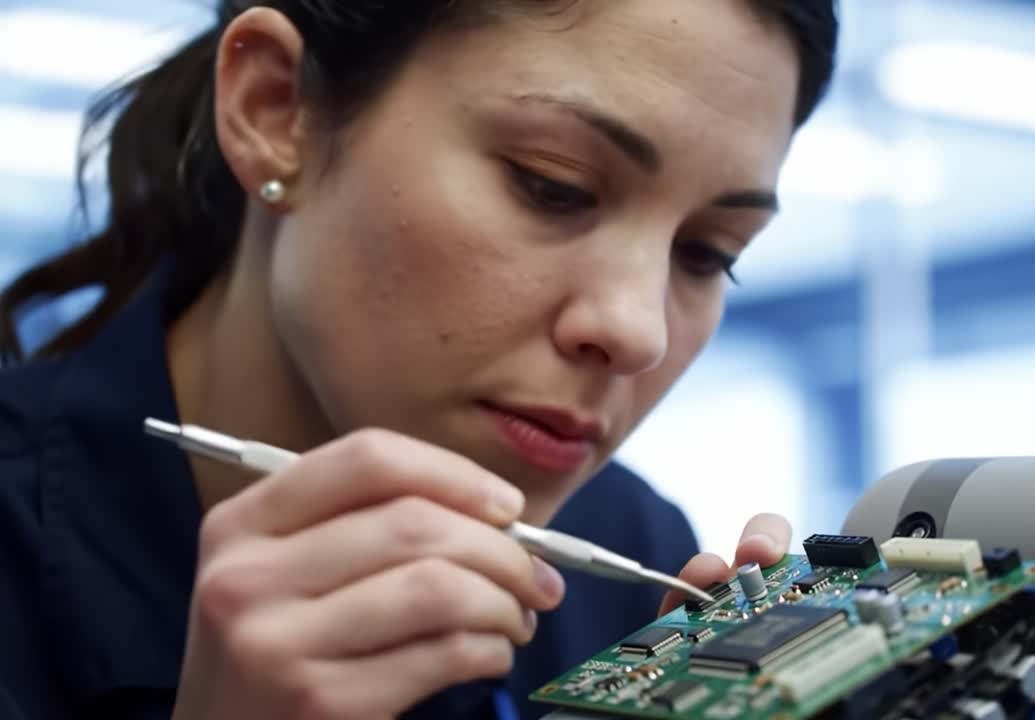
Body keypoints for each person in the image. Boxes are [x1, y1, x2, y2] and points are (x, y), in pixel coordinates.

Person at [0, 1, 837, 718]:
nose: (636, 332)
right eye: (553, 184)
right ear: (276, 110)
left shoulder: (630, 555)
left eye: (707, 252)